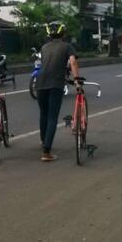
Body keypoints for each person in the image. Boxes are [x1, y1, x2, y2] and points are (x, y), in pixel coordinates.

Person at [35, 21, 80, 162]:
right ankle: (46, 152)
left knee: (44, 114)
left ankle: (44, 141)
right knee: (52, 117)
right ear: (63, 33)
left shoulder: (44, 47)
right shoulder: (67, 46)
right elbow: (72, 62)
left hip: (40, 83)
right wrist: (77, 79)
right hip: (55, 84)